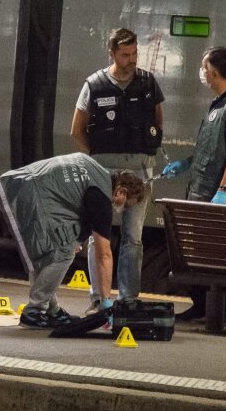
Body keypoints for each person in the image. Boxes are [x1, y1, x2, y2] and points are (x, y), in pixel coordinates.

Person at [70, 28, 164, 315]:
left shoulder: (149, 83)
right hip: (103, 171)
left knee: (133, 237)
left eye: (135, 53)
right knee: (99, 235)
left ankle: (128, 299)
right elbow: (76, 130)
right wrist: (96, 162)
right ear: (111, 53)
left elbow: (158, 125)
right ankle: (99, 298)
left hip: (139, 173)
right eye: (125, 54)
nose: (132, 59)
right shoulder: (94, 85)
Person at [0, 153, 145, 329]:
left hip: (22, 186)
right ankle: (34, 310)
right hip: (32, 197)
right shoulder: (101, 197)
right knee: (61, 253)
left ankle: (51, 309)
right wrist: (105, 301)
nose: (122, 208)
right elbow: (104, 254)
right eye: (126, 204)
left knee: (54, 250)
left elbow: (78, 205)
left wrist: (77, 239)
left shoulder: (96, 174)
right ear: (121, 191)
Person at [162, 46, 226, 324]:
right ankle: (201, 305)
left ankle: (225, 311)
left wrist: (222, 193)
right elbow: (213, 149)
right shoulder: (218, 103)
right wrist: (187, 163)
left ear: (213, 72)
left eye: (204, 68)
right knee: (199, 252)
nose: (202, 73)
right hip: (202, 192)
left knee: (223, 254)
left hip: (218, 196)